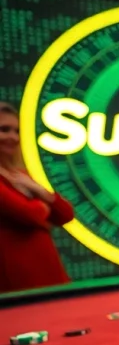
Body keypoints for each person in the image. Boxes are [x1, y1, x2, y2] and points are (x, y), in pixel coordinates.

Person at [0, 101, 75, 293]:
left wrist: (39, 191)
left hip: (50, 276)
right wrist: (43, 204)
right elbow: (30, 214)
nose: (13, 137)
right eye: (4, 129)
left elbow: (65, 214)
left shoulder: (21, 175)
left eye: (17, 131)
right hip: (17, 280)